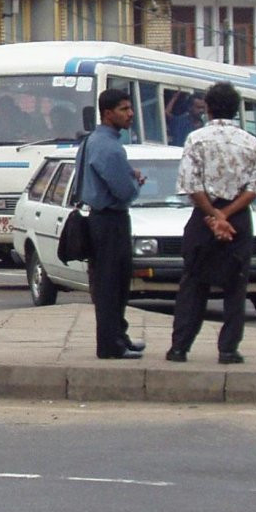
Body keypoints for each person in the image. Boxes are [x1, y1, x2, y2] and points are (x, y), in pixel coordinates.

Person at [166, 81, 256, 365]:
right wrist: (227, 214)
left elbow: (191, 184)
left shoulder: (196, 139)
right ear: (236, 109)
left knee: (193, 282)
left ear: (207, 108)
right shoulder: (251, 142)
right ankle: (228, 349)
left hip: (203, 217)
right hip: (238, 219)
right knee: (236, 285)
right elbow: (254, 188)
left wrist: (212, 215)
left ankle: (180, 347)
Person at [78, 87, 146, 359]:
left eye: (130, 108)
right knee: (110, 284)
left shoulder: (94, 140)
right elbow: (124, 191)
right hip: (110, 220)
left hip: (101, 218)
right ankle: (110, 344)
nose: (130, 114)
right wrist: (135, 182)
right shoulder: (107, 146)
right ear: (108, 114)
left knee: (114, 282)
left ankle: (119, 334)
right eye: (124, 109)